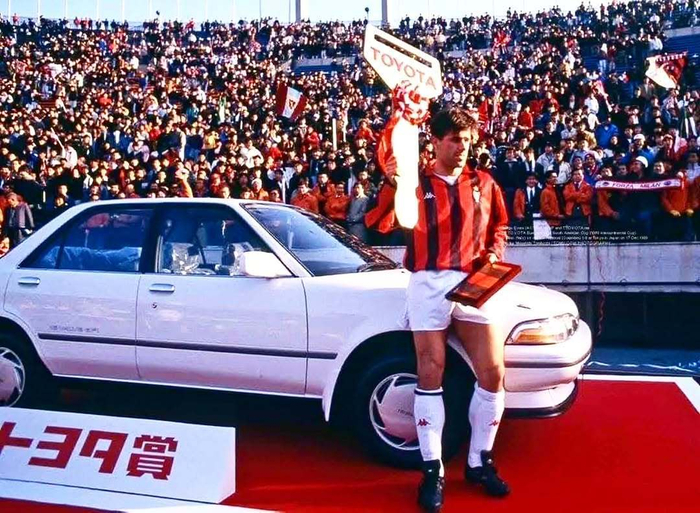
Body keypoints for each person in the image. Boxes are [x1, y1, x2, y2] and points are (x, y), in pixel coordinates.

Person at [390, 108, 510, 512]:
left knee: (493, 372)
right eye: (455, 139)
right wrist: (391, 179)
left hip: (474, 280)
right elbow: (386, 218)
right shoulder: (414, 184)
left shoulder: (485, 183)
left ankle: (479, 460)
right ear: (436, 141)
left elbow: (499, 228)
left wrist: (493, 254)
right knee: (430, 370)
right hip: (427, 280)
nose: (462, 148)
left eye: (467, 140)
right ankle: (433, 469)